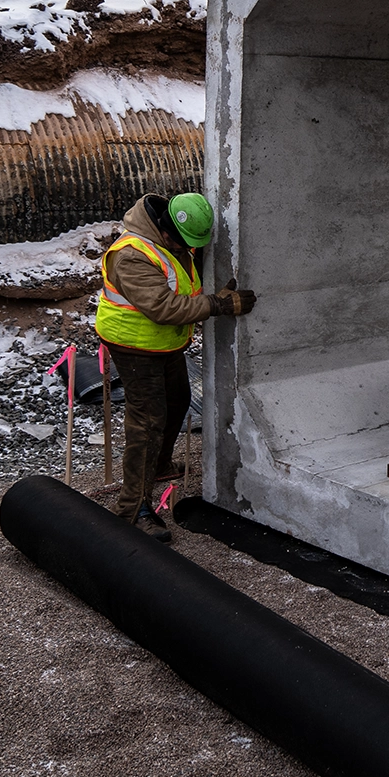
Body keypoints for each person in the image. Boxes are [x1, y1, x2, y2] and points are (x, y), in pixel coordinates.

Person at [95, 192, 254, 542]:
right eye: (184, 243)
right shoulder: (131, 256)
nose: (189, 249)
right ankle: (132, 508)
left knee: (179, 401)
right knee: (147, 421)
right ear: (165, 230)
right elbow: (163, 307)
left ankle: (160, 466)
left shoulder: (172, 239)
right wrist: (218, 305)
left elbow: (183, 280)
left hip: (163, 344)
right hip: (134, 345)